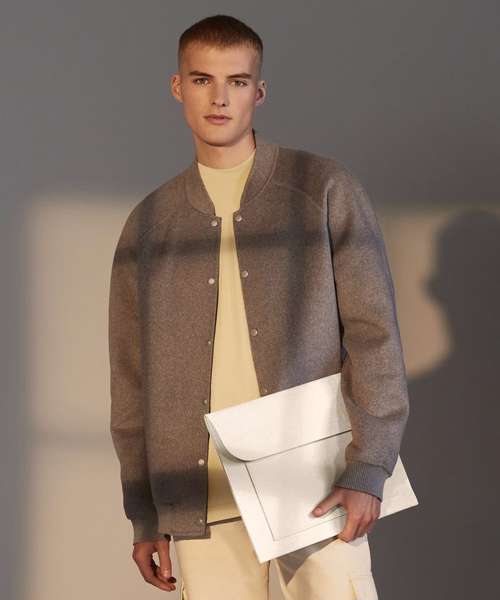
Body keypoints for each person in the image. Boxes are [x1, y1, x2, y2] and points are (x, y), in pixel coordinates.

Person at [108, 13, 410, 600]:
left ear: (259, 91)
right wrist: (144, 511)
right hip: (199, 491)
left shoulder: (323, 188)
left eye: (238, 81)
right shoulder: (147, 224)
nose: (219, 98)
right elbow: (131, 379)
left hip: (314, 477)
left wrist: (370, 465)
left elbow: (374, 335)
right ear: (178, 87)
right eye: (203, 80)